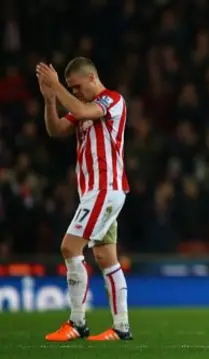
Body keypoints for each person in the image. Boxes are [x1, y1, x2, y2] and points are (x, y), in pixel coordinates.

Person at [36, 57, 132, 341]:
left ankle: (77, 322)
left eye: (76, 86)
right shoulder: (83, 110)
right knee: (105, 257)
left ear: (92, 78)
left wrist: (57, 87)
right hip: (94, 192)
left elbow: (78, 107)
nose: (75, 92)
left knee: (69, 247)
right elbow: (55, 130)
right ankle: (121, 328)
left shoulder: (111, 101)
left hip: (105, 189)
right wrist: (50, 98)